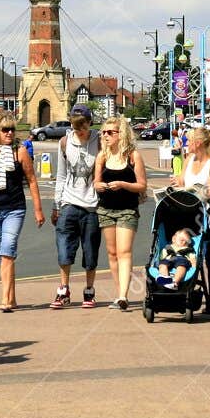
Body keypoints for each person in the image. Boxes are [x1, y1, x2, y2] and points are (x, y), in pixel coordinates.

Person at [0, 111, 44, 313]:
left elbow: (31, 180)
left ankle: (5, 299)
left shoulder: (19, 151)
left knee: (7, 252)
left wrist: (38, 209)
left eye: (12, 128)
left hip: (15, 209)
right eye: (5, 129)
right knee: (1, 257)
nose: (10, 133)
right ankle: (11, 298)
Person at [93, 115, 148, 311]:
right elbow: (96, 182)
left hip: (127, 209)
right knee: (112, 253)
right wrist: (98, 185)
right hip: (106, 209)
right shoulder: (102, 156)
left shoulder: (133, 156)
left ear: (121, 134)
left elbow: (142, 185)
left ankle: (124, 295)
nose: (106, 136)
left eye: (110, 132)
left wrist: (123, 184)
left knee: (124, 251)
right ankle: (118, 295)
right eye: (104, 132)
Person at [51, 105, 101, 308]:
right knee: (64, 250)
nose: (80, 131)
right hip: (69, 203)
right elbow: (61, 176)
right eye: (76, 126)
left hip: (92, 205)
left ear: (90, 122)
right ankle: (63, 289)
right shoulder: (64, 142)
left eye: (83, 126)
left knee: (90, 252)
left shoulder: (99, 141)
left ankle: (89, 291)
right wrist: (56, 205)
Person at [181, 125, 210, 305]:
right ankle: (184, 293)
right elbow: (181, 180)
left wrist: (194, 191)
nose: (187, 144)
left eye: (189, 141)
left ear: (198, 143)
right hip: (187, 218)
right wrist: (177, 182)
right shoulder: (188, 160)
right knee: (185, 255)